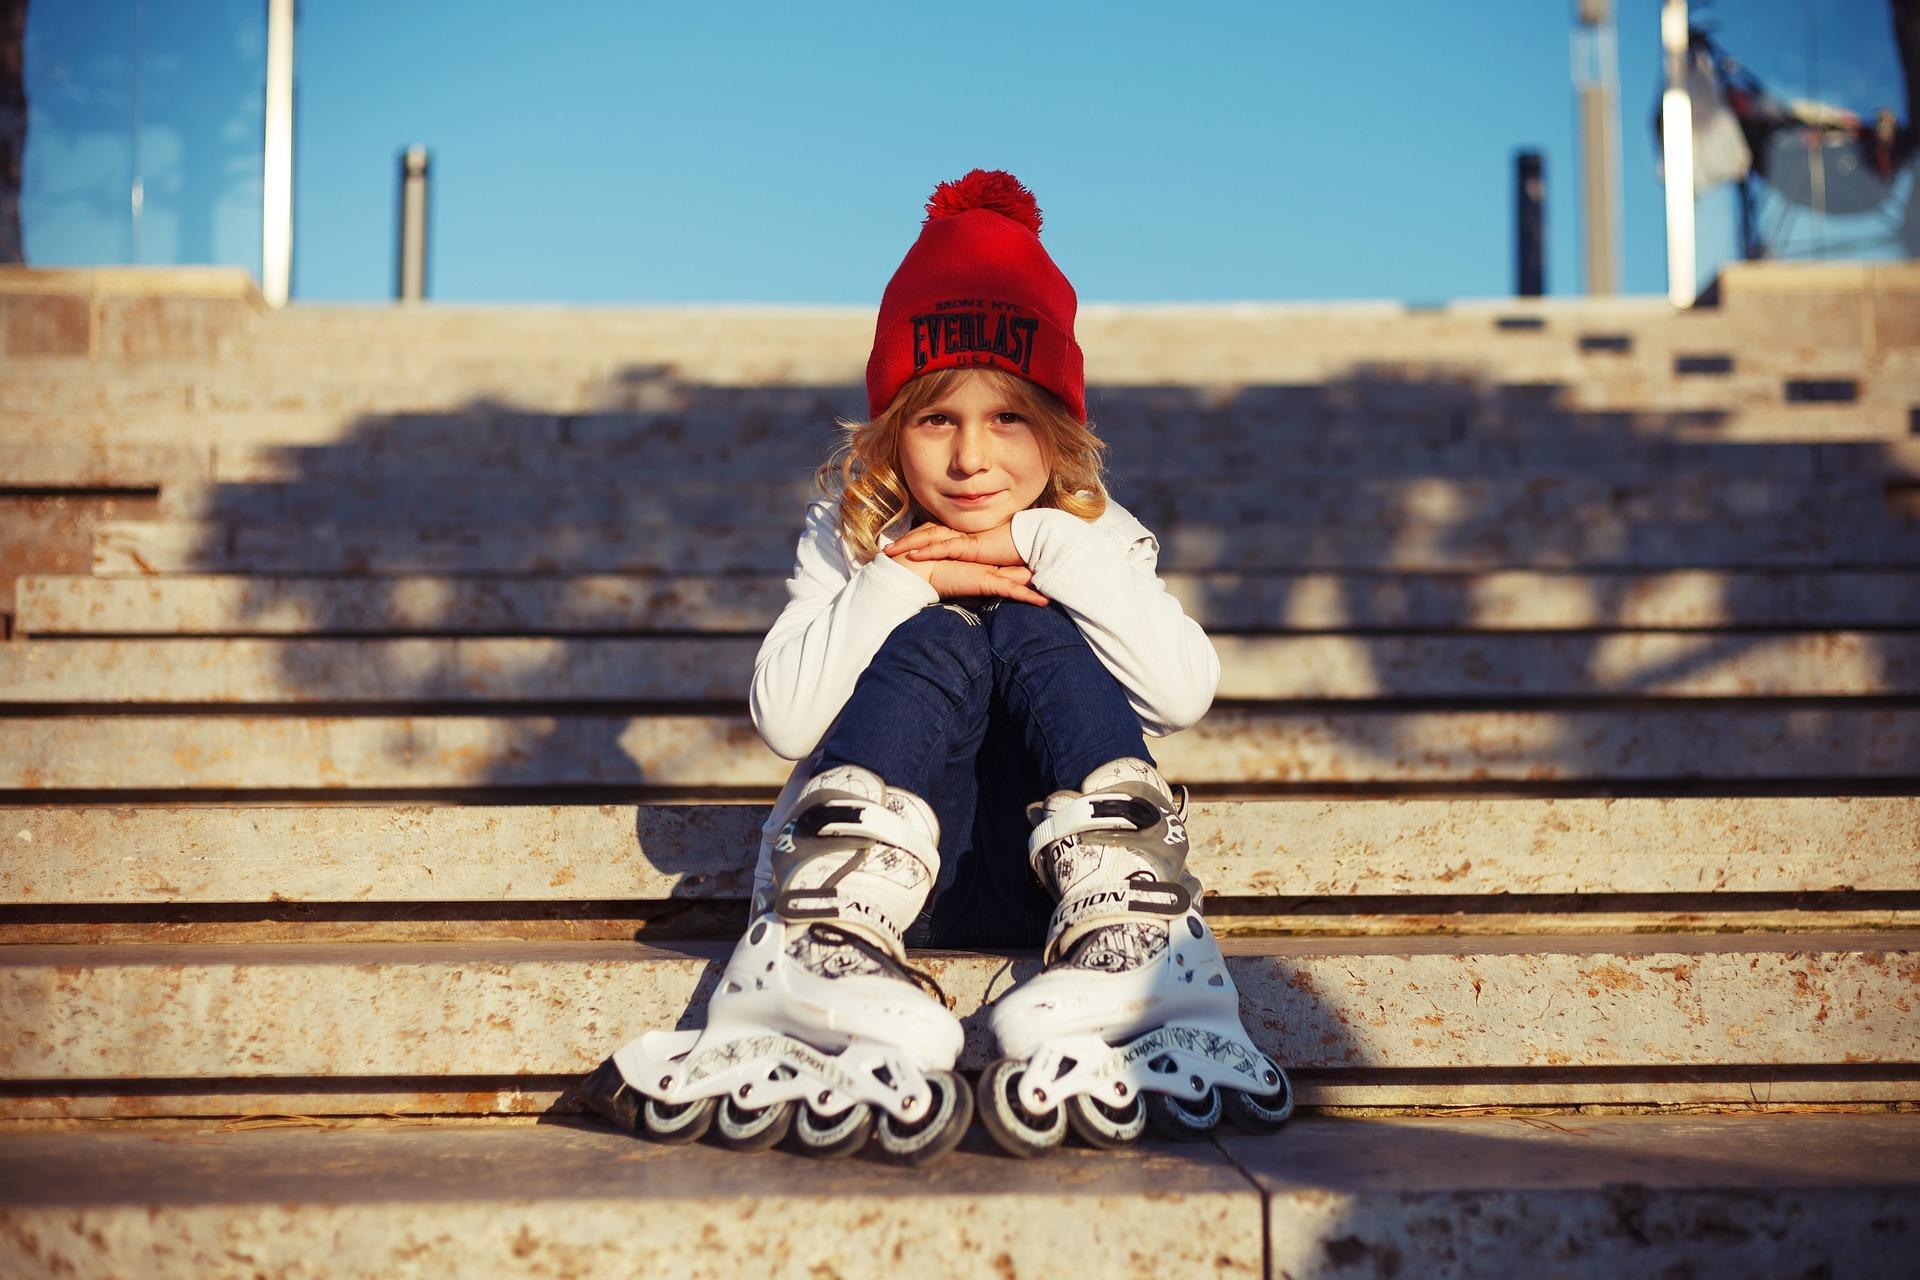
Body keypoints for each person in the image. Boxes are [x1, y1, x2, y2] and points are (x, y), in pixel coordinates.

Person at [581, 169, 1291, 1163]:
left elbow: (1179, 691)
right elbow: (784, 717)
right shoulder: (853, 532)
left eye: (1008, 418)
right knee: (947, 630)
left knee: (1031, 627)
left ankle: (1140, 934)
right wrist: (903, 581)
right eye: (935, 419)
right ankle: (815, 944)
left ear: (1058, 428)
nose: (970, 458)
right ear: (891, 427)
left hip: (1057, 885)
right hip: (885, 880)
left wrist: (1041, 553)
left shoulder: (1095, 532)